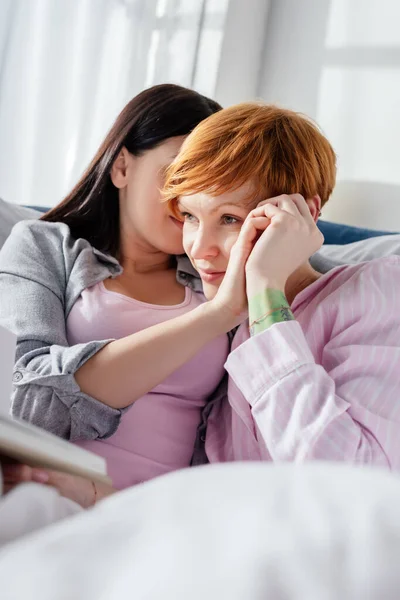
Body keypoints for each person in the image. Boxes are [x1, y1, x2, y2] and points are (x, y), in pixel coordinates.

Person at [0, 84, 251, 502]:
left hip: (169, 516)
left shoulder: (222, 273)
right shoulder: (44, 247)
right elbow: (34, 405)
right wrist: (217, 315)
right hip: (55, 497)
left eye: (208, 182)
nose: (186, 198)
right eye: (176, 173)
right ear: (121, 167)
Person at [163, 101, 400, 468]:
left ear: (304, 214)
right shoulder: (221, 325)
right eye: (191, 216)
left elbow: (350, 479)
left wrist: (265, 290)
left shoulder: (377, 288)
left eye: (229, 218)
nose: (199, 248)